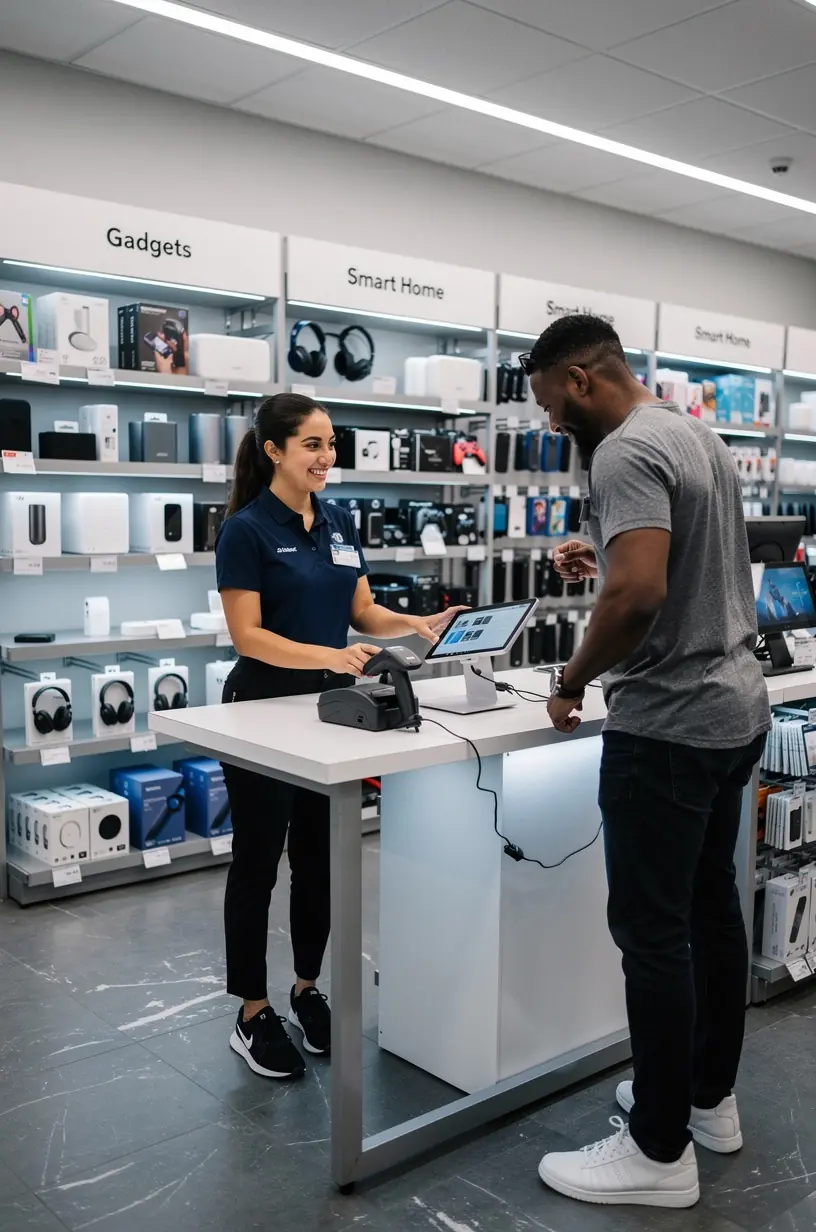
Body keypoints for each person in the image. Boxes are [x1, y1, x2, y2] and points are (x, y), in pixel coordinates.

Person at [521, 316, 770, 1209]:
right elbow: (682, 572)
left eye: (553, 405)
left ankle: (658, 1154)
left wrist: (571, 678)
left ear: (582, 379)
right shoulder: (691, 431)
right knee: (712, 912)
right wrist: (609, 568)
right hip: (734, 711)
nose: (554, 426)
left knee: (653, 936)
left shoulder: (623, 451)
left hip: (666, 728)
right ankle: (708, 1104)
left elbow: (640, 594)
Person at [216, 393, 464, 1081]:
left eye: (332, 445)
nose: (328, 458)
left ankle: (304, 988)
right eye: (313, 445)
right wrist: (328, 656)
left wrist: (416, 623)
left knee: (321, 860)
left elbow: (359, 610)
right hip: (260, 710)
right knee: (259, 862)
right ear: (275, 451)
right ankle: (251, 1010)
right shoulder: (245, 530)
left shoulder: (337, 520)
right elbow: (248, 635)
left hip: (324, 714)